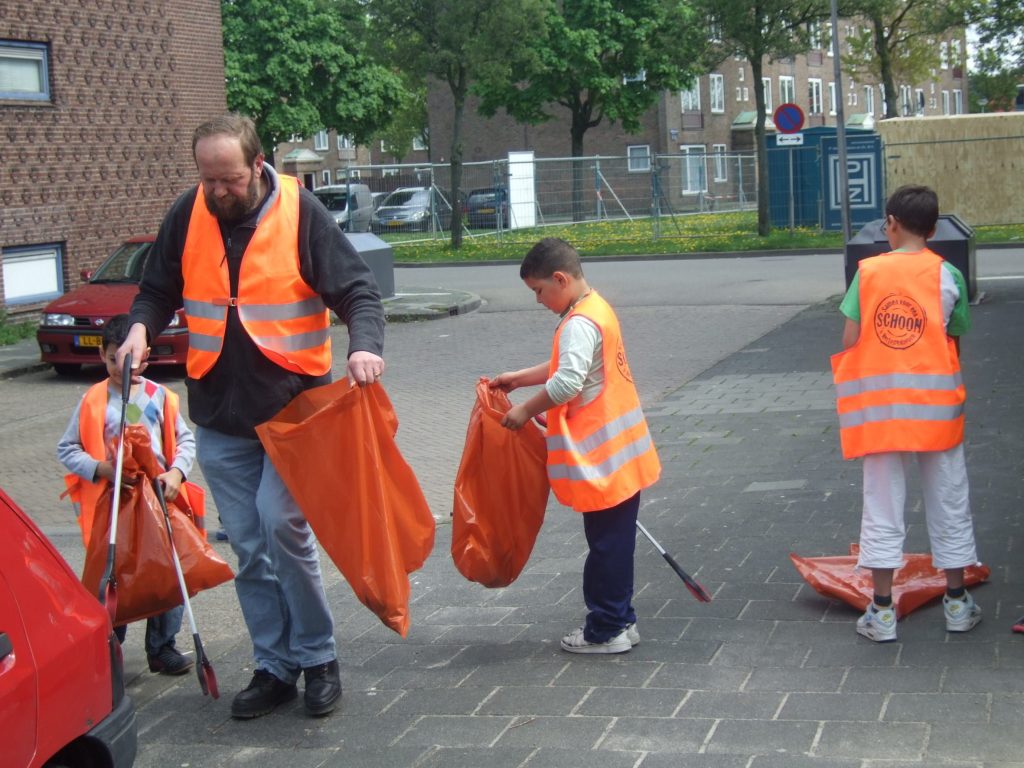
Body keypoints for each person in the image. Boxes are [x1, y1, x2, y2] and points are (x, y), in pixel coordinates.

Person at [117, 114, 385, 718]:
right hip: (219, 415)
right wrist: (137, 329)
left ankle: (318, 657)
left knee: (281, 527)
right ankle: (274, 665)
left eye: (230, 179)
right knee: (248, 546)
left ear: (258, 166)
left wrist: (365, 344)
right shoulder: (187, 214)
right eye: (208, 179)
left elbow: (357, 291)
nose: (218, 192)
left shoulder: (301, 211)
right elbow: (156, 290)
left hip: (295, 413)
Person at [490, 238, 661, 654]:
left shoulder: (578, 324)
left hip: (600, 460)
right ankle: (623, 620)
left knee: (605, 548)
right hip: (623, 455)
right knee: (615, 544)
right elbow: (568, 366)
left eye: (538, 291)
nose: (538, 300)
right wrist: (520, 377)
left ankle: (606, 629)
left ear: (560, 279)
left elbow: (568, 381)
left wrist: (525, 410)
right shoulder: (595, 309)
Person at [832, 184, 981, 643]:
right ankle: (957, 604)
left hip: (880, 413)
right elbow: (954, 335)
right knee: (949, 498)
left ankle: (880, 613)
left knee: (881, 503)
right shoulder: (948, 275)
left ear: (890, 223)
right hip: (936, 411)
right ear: (934, 229)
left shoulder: (868, 273)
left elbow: (849, 340)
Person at [58, 314, 196, 676]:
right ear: (103, 357)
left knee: (165, 572)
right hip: (112, 504)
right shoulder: (93, 401)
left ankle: (162, 646)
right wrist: (99, 468)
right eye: (113, 359)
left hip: (157, 499)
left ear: (144, 356)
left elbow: (185, 440)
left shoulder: (161, 397)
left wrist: (177, 472)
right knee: (112, 576)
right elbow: (67, 448)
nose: (121, 367)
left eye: (130, 359)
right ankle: (108, 645)